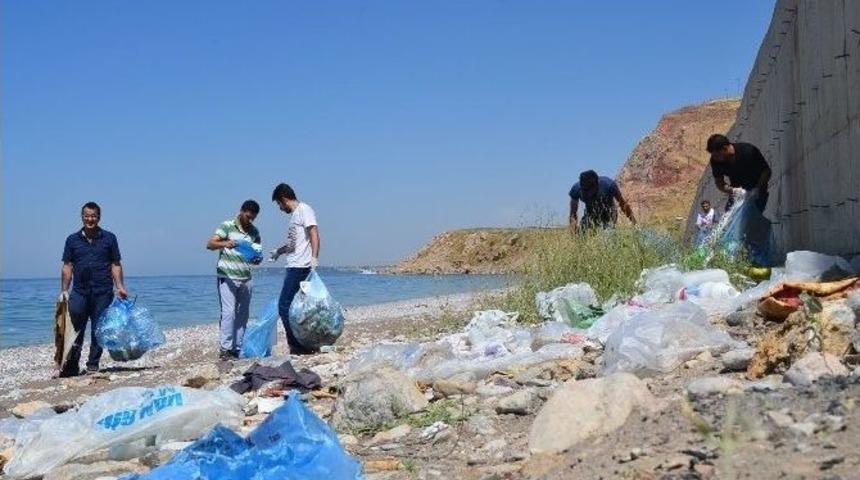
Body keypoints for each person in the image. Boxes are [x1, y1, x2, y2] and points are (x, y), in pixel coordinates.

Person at [60, 202, 127, 376]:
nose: (90, 219)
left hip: (102, 291)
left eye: (94, 216)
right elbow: (67, 266)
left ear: (99, 217)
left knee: (98, 329)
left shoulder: (109, 238)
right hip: (79, 292)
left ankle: (93, 364)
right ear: (82, 217)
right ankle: (72, 364)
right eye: (87, 216)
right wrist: (64, 291)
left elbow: (115, 264)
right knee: (75, 330)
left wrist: (120, 287)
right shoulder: (72, 240)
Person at [206, 200, 262, 360]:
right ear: (241, 211)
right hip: (227, 276)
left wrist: (257, 259)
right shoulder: (227, 226)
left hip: (246, 277)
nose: (250, 220)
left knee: (243, 314)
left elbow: (256, 255)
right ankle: (225, 349)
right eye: (248, 217)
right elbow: (210, 244)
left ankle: (237, 348)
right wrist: (225, 243)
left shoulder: (254, 232)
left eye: (253, 218)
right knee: (229, 312)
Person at [269, 183, 320, 354]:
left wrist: (314, 257)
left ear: (283, 199)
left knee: (284, 305)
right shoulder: (295, 216)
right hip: (293, 265)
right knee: (297, 307)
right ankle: (302, 342)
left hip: (300, 266)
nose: (280, 208)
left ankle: (296, 346)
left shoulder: (304, 209)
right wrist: (279, 251)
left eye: (279, 204)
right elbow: (293, 245)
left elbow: (314, 233)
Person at [705, 134, 772, 212]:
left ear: (725, 148)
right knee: (729, 220)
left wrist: (757, 189)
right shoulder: (716, 161)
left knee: (751, 217)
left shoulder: (748, 151)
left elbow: (766, 171)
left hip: (757, 189)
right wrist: (734, 190)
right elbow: (720, 184)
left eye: (717, 155)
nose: (715, 158)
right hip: (738, 192)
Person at [568, 170, 636, 233]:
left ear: (597, 185)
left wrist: (634, 222)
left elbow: (622, 204)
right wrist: (573, 234)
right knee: (583, 237)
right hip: (590, 213)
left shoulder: (609, 185)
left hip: (609, 212)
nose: (587, 193)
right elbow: (573, 213)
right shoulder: (576, 189)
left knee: (607, 236)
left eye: (589, 190)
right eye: (585, 190)